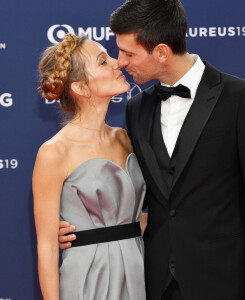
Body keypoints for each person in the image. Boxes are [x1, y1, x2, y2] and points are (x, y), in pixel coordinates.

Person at [59, 1, 245, 299]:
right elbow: (148, 200)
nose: (120, 62)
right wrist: (85, 231)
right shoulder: (136, 108)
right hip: (154, 282)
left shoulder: (243, 100)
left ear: (162, 52)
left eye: (129, 53)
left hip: (225, 282)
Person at [33, 33, 146, 300]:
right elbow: (47, 247)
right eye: (104, 61)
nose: (118, 63)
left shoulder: (125, 138)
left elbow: (134, 218)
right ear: (81, 88)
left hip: (139, 271)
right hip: (88, 279)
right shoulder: (54, 153)